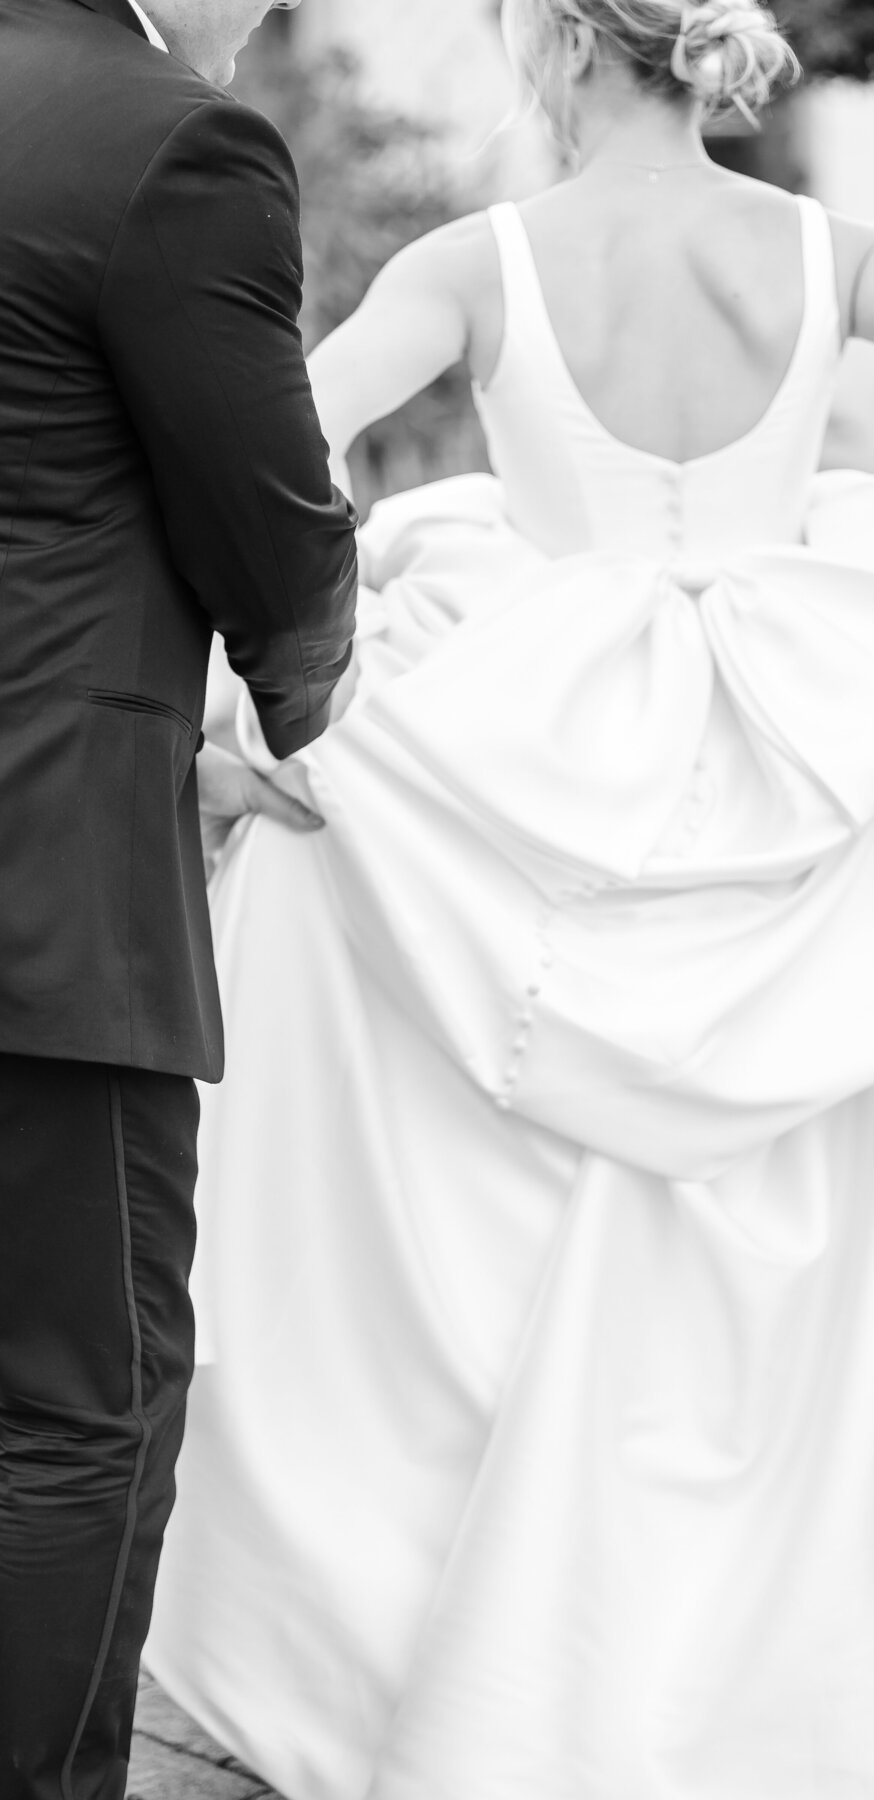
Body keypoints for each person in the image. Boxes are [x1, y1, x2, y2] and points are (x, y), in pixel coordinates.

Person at [147, 2, 874, 1796]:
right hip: (798, 729)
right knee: (788, 1192)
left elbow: (275, 435)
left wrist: (316, 610)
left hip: (542, 734)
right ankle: (749, 1640)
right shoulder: (823, 245)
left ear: (559, 50)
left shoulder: (485, 260)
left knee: (508, 1170)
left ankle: (492, 1627)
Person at [0, 0, 358, 1792]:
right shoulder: (169, 141)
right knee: (79, 1404)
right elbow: (276, 528)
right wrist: (308, 699)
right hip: (39, 905)